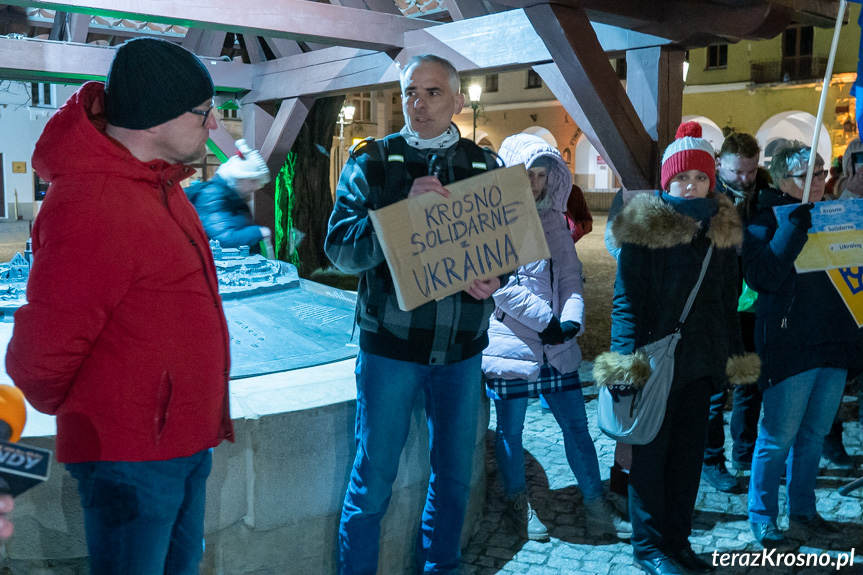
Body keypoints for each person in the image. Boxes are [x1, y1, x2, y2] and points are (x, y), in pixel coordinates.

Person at [6, 38, 233, 575]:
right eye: (205, 111)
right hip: (132, 458)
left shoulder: (156, 182)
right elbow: (40, 360)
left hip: (174, 442)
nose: (216, 124)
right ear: (156, 121)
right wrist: (116, 412)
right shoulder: (96, 201)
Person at [324, 54, 500, 575]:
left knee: (454, 478)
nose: (418, 104)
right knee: (373, 481)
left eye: (432, 93)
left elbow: (504, 249)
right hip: (391, 352)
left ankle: (442, 566)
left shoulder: (483, 166)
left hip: (463, 353)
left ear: (457, 101)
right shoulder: (373, 162)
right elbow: (339, 248)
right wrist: (401, 215)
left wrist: (498, 278)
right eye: (410, 93)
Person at [595, 122, 758, 575]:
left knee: (687, 462)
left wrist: (730, 361)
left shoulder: (721, 232)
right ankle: (648, 548)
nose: (691, 185)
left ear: (712, 181)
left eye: (700, 177)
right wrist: (624, 369)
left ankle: (678, 541)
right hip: (653, 367)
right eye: (682, 178)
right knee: (651, 458)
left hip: (700, 365)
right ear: (667, 182)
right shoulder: (644, 228)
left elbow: (727, 300)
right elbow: (626, 304)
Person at [483, 133, 630, 543]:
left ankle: (593, 502)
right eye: (526, 174)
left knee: (576, 427)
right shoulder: (494, 223)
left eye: (541, 175)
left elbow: (570, 275)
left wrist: (570, 319)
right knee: (511, 431)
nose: (533, 183)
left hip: (557, 346)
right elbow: (498, 283)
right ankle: (517, 502)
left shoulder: (553, 221)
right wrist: (544, 319)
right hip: (513, 342)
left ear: (551, 179)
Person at [744, 141, 863, 549]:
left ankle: (803, 510)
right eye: (805, 175)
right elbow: (764, 276)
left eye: (820, 172)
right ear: (781, 179)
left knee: (813, 436)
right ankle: (763, 516)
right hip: (790, 343)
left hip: (833, 341)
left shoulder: (835, 213)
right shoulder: (764, 220)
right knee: (778, 437)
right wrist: (795, 224)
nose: (817, 182)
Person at [701, 132, 770, 493]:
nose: (745, 178)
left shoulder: (764, 194)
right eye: (737, 172)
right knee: (716, 389)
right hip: (718, 304)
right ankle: (712, 460)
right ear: (719, 165)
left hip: (753, 301)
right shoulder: (710, 199)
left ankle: (744, 450)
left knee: (749, 380)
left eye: (751, 171)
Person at [186, 138, 272, 253]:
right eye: (253, 181)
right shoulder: (212, 195)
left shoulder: (232, 197)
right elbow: (223, 239)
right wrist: (258, 232)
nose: (256, 187)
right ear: (239, 178)